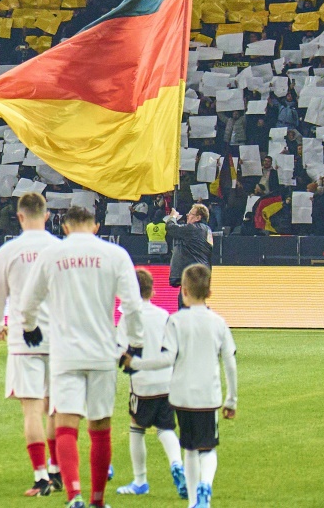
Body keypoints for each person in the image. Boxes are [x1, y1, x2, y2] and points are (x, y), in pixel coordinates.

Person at [16, 205, 145, 508]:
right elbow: (132, 305)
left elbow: (28, 299)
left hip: (65, 352)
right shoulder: (115, 255)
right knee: (100, 427)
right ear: (96, 226)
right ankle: (98, 500)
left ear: (65, 227)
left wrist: (30, 326)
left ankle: (75, 496)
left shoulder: (52, 254)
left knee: (65, 423)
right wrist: (134, 345)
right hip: (102, 352)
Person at [124, 264, 237, 508]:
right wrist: (232, 399)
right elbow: (230, 360)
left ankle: (194, 501)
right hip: (209, 395)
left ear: (183, 290)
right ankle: (205, 487)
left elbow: (166, 359)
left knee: (189, 448)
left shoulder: (175, 321)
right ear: (209, 291)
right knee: (207, 449)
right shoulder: (218, 322)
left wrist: (137, 363)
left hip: (182, 395)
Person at [0, 190, 63, 497]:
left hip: (23, 338)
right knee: (56, 409)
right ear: (46, 216)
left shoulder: (10, 250)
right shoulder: (59, 248)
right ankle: (57, 470)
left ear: (19, 216)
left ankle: (41, 476)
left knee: (32, 410)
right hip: (58, 339)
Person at [116, 269, 186, 500]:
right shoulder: (164, 314)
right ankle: (177, 463)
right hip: (166, 381)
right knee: (166, 428)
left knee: (137, 428)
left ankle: (140, 480)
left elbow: (120, 350)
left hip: (142, 383)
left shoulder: (128, 317)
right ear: (151, 290)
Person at [164, 205, 213, 294]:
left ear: (198, 217)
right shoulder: (205, 230)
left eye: (190, 213)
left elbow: (171, 228)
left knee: (187, 303)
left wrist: (172, 217)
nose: (187, 215)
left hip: (193, 275)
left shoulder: (193, 229)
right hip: (201, 274)